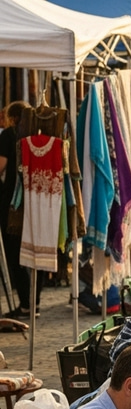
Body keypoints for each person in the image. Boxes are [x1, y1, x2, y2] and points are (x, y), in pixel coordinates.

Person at [0, 100, 40, 319]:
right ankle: (35, 303)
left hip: (13, 204)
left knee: (15, 253)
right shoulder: (37, 135)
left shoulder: (8, 135)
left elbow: (1, 166)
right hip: (37, 200)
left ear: (12, 118)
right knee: (36, 253)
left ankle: (25, 303)